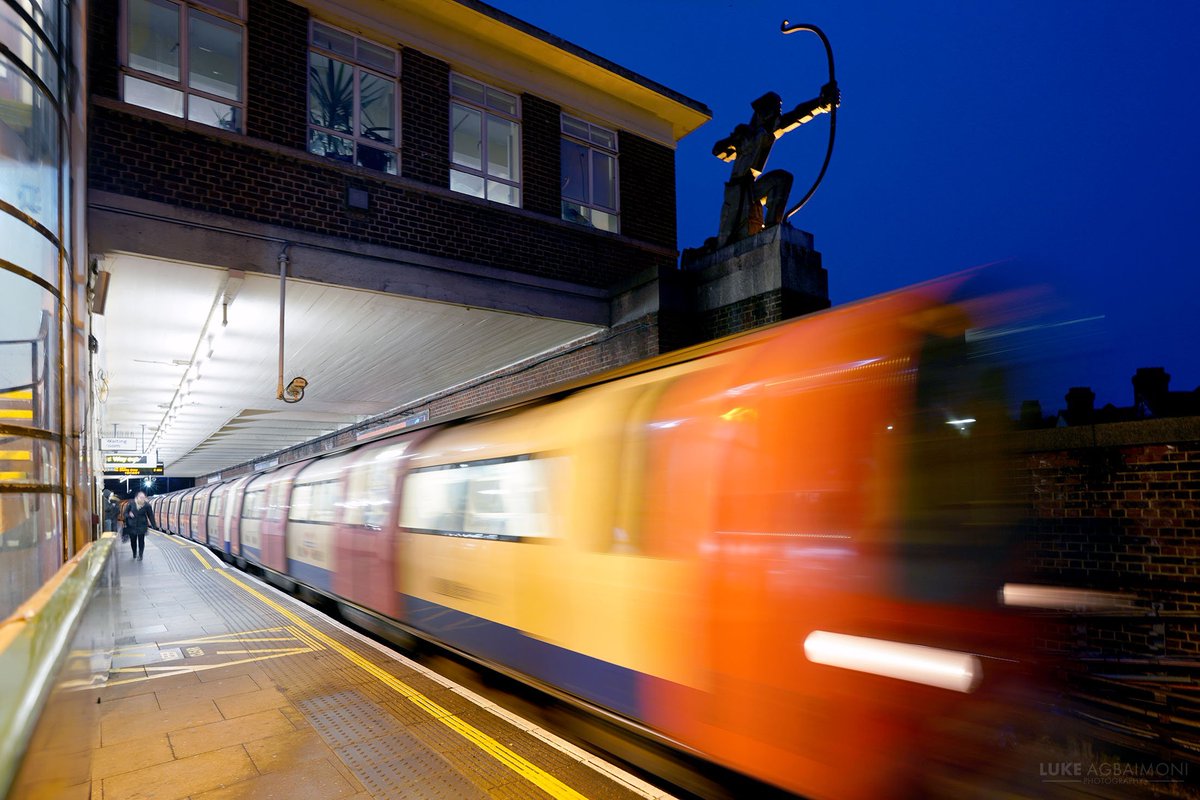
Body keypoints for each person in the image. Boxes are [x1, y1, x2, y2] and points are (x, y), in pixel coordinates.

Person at [123, 490, 157, 561]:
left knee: (141, 541)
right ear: (137, 497)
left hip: (142, 526)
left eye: (143, 497)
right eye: (141, 497)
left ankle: (140, 555)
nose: (142, 499)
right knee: (133, 541)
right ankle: (134, 553)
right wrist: (129, 515)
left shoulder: (147, 505)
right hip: (132, 526)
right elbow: (125, 513)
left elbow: (150, 515)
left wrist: (154, 526)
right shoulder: (131, 503)